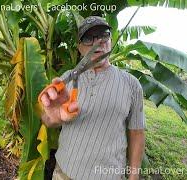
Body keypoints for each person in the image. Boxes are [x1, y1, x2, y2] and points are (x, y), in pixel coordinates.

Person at [39, 16, 145, 180]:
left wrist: (133, 176)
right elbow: (46, 120)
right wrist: (52, 118)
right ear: (80, 47)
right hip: (65, 173)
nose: (98, 42)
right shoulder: (65, 80)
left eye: (103, 35)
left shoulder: (132, 85)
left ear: (110, 40)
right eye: (88, 38)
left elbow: (137, 133)